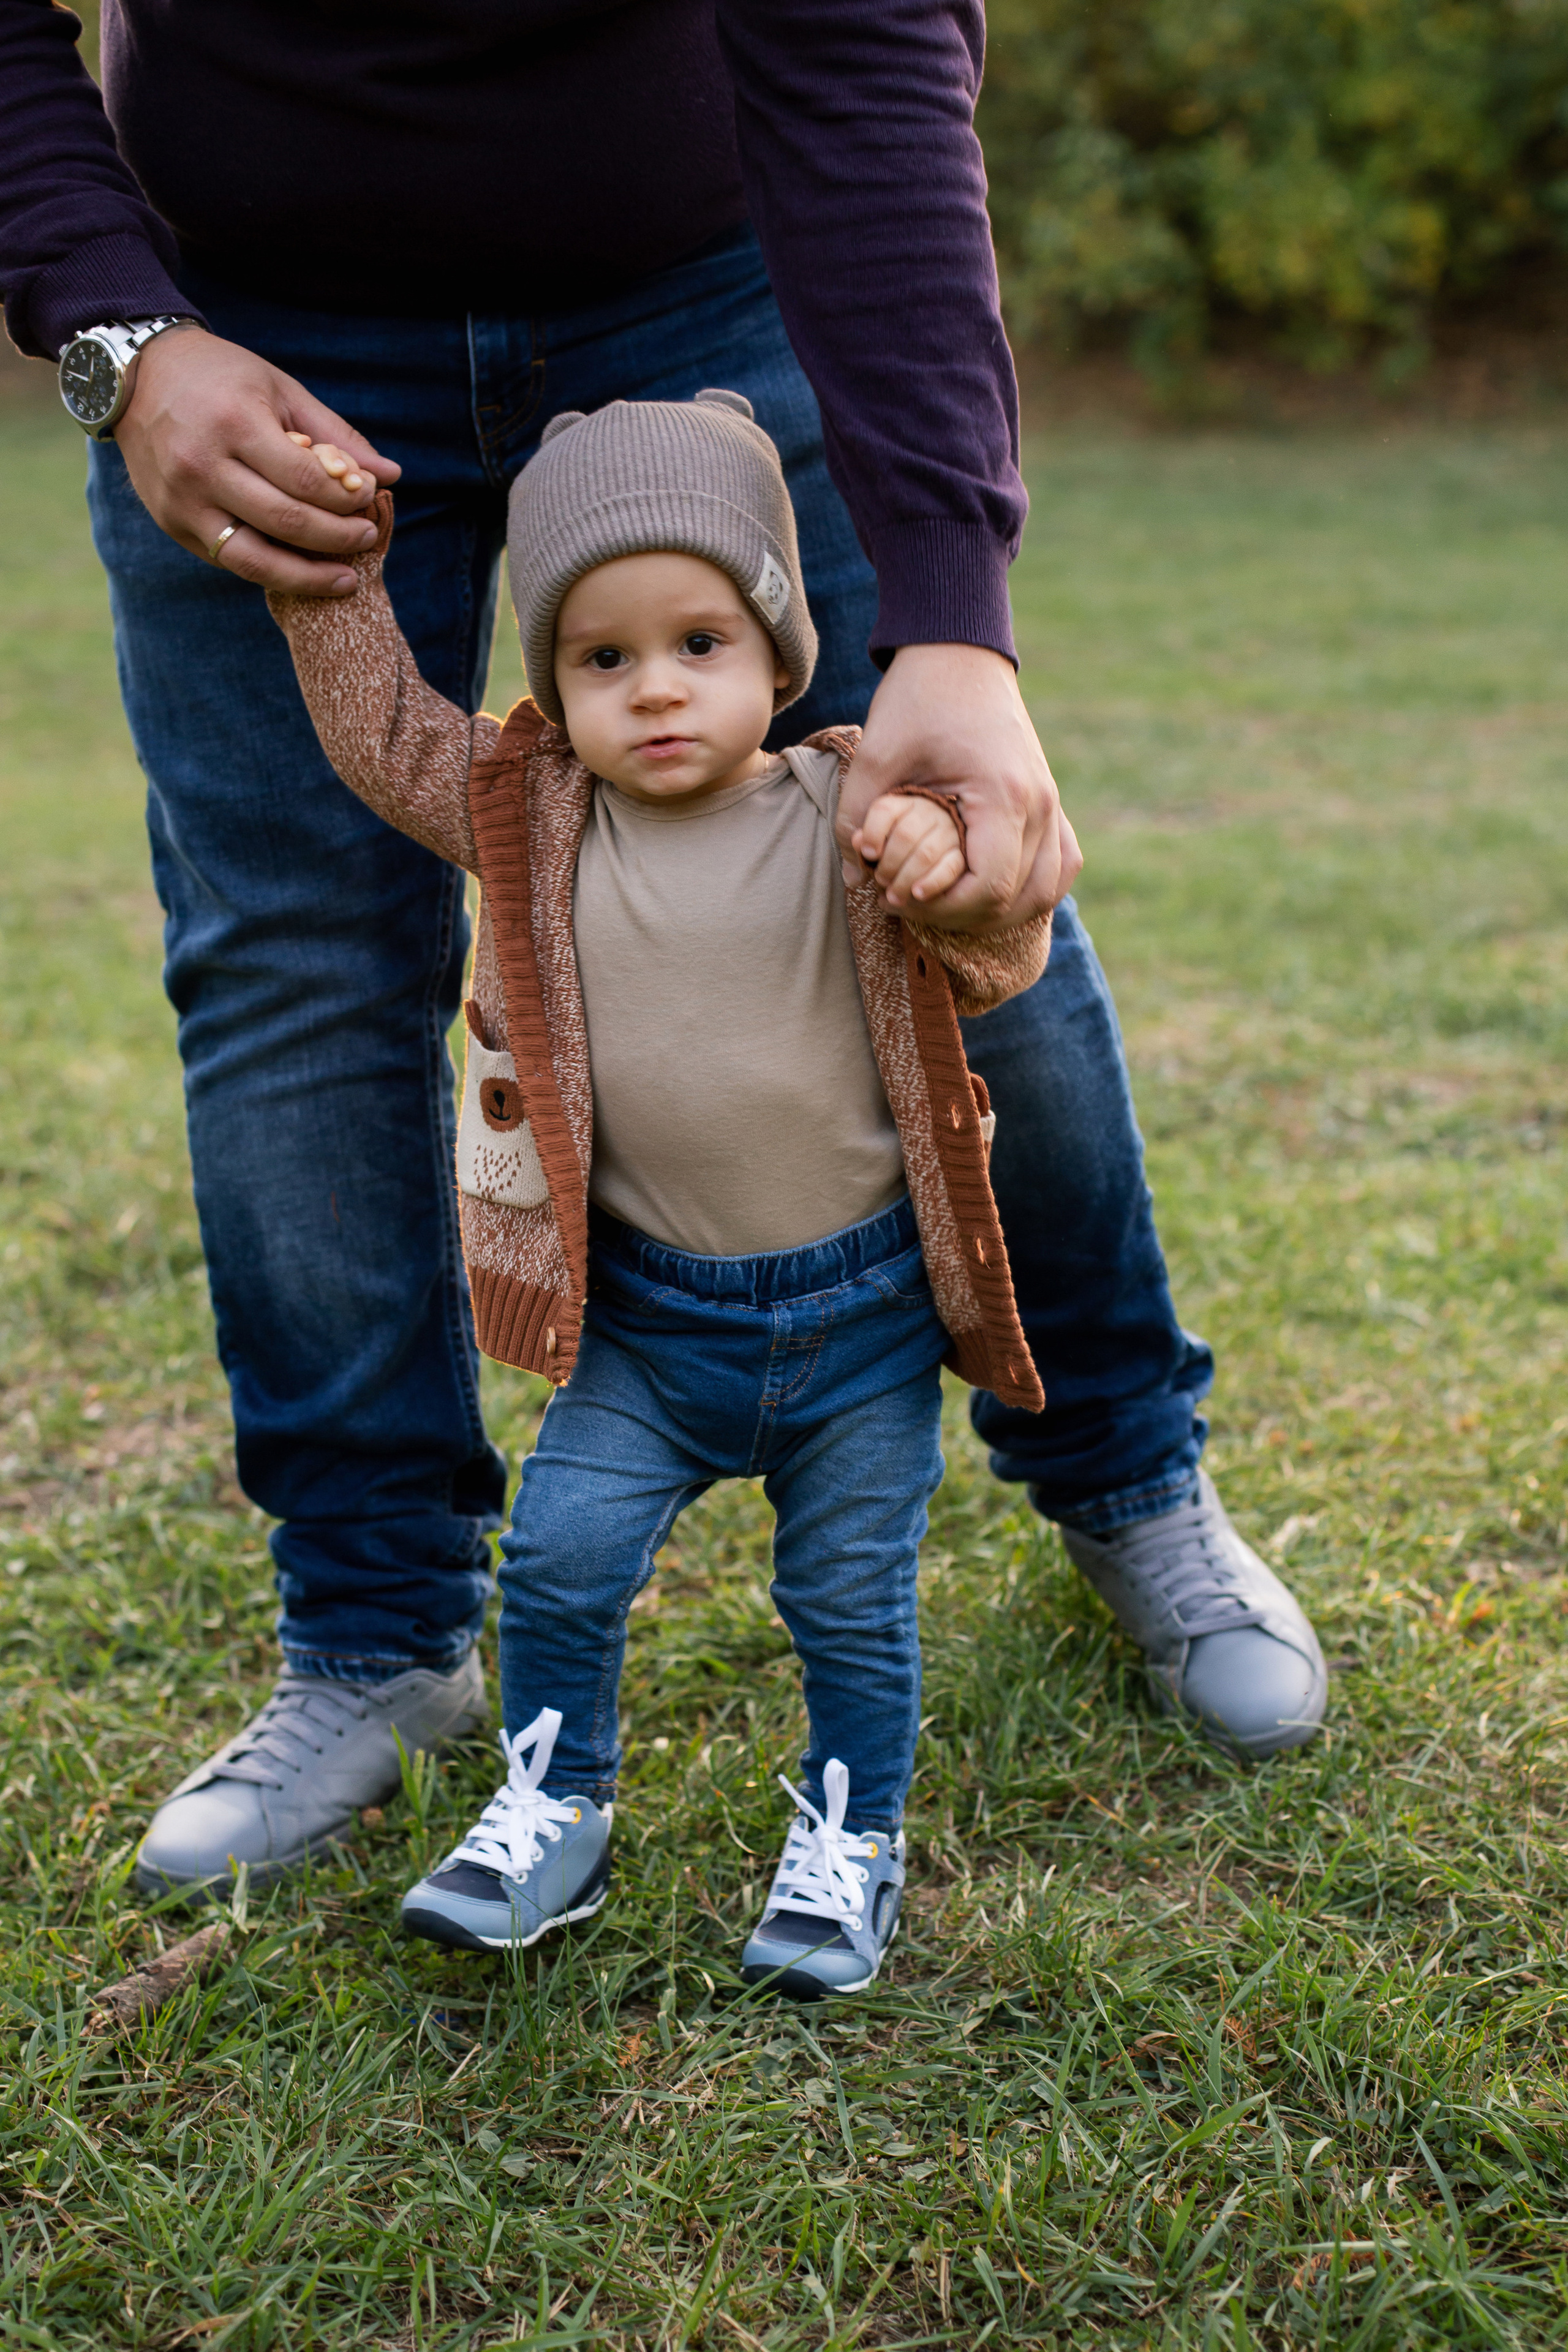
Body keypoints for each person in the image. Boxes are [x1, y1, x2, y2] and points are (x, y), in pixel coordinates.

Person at [0, 1, 1325, 1899]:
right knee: (290, 960)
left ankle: (1127, 1476)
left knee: (940, 870)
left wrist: (955, 615)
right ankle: (375, 1636)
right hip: (241, 332)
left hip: (709, 288)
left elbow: (862, 46)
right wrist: (119, 333)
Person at [248, 391, 1052, 1997]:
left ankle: (849, 1839)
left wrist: (957, 883)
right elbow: (383, 733)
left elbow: (999, 960)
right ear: (554, 685)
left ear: (778, 652)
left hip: (865, 1321)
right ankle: (553, 1803)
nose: (658, 688)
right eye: (603, 659)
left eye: (701, 640)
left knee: (845, 1596)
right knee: (559, 1559)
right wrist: (322, 583)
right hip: (655, 1327)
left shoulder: (844, 807)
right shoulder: (535, 820)